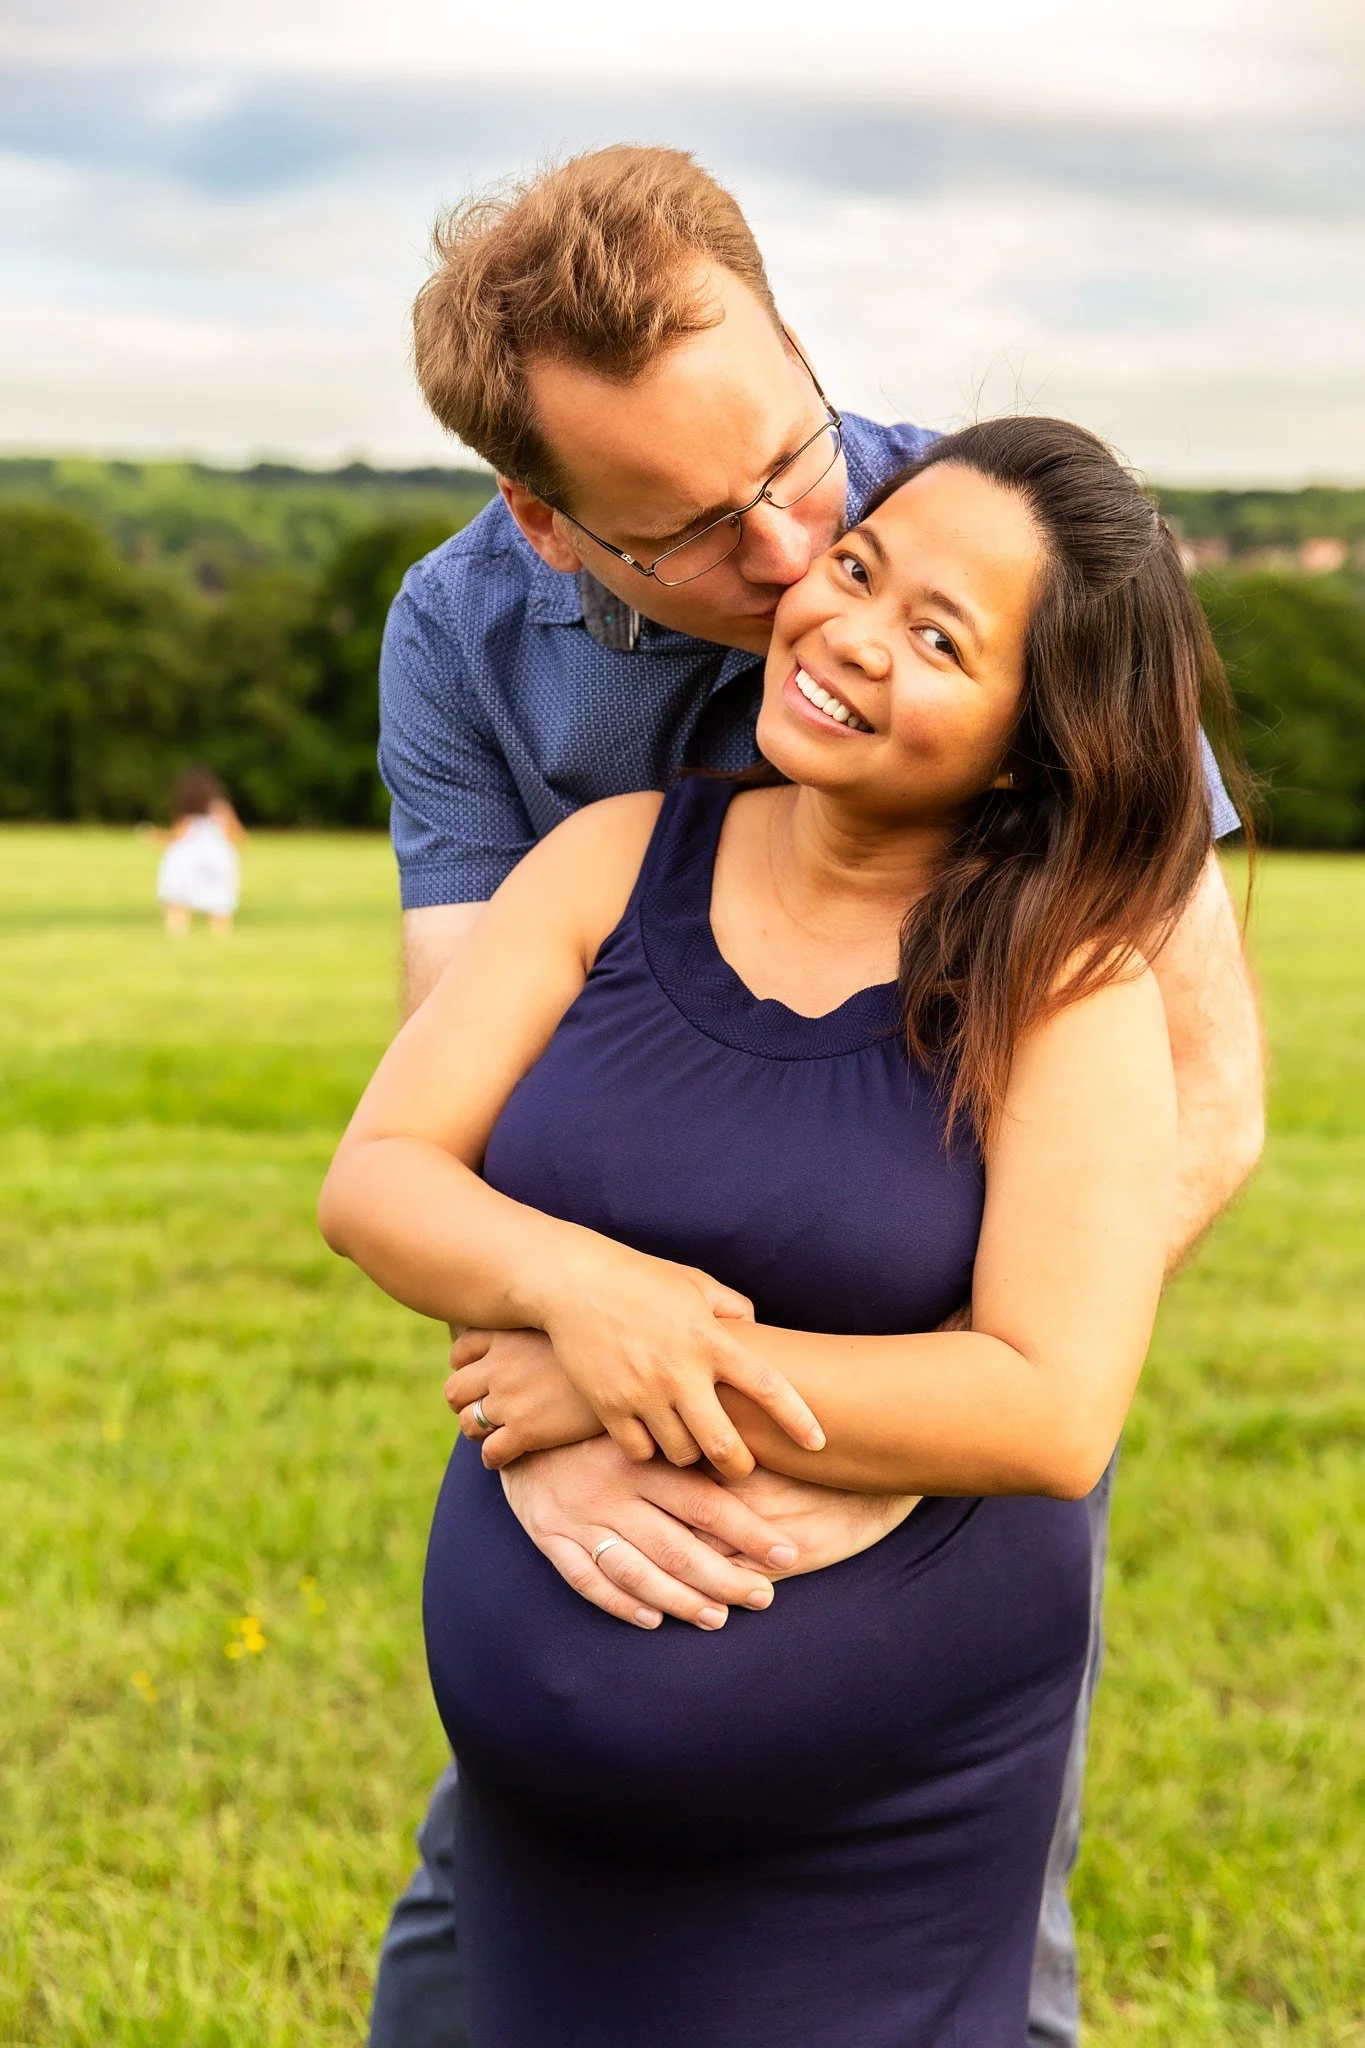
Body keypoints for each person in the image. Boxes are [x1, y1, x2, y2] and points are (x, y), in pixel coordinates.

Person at [368, 148, 1265, 2047]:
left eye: (796, 461)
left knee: (973, 1957)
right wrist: (583, 1378)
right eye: (695, 531)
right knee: (489, 1915)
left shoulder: (1017, 556)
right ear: (547, 524)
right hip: (603, 1442)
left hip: (916, 1479)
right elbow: (447, 1119)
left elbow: (1204, 1103)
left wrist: (822, 1446)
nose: (797, 567)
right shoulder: (464, 646)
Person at [154, 767, 244, 937]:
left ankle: (177, 940)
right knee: (219, 909)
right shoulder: (221, 809)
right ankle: (221, 943)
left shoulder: (187, 814)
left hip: (186, 862)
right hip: (218, 861)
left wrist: (154, 837)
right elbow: (238, 836)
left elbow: (175, 837)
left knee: (176, 905)